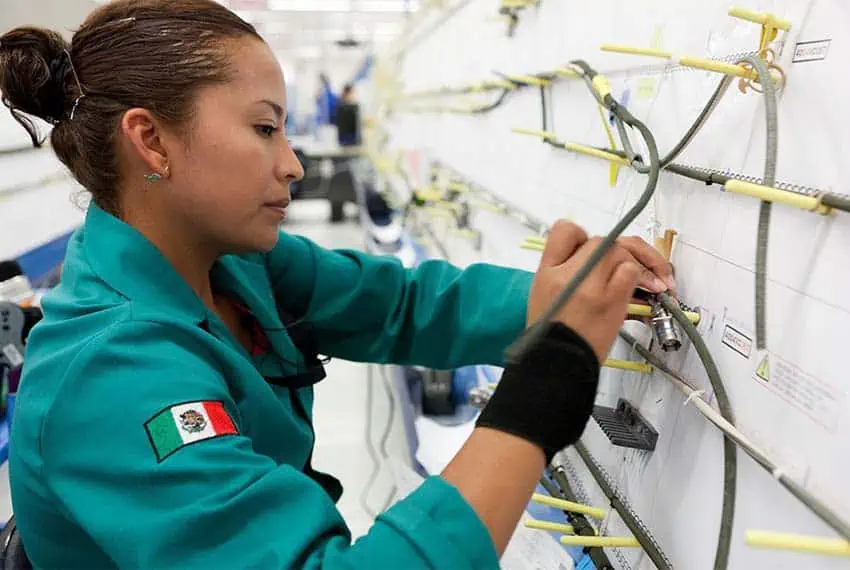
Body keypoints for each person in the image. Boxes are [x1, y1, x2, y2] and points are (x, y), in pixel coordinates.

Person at [0, 1, 676, 568]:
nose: (293, 163)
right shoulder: (108, 379)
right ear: (151, 141)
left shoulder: (231, 263)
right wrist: (546, 386)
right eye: (264, 128)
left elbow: (397, 305)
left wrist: (548, 296)